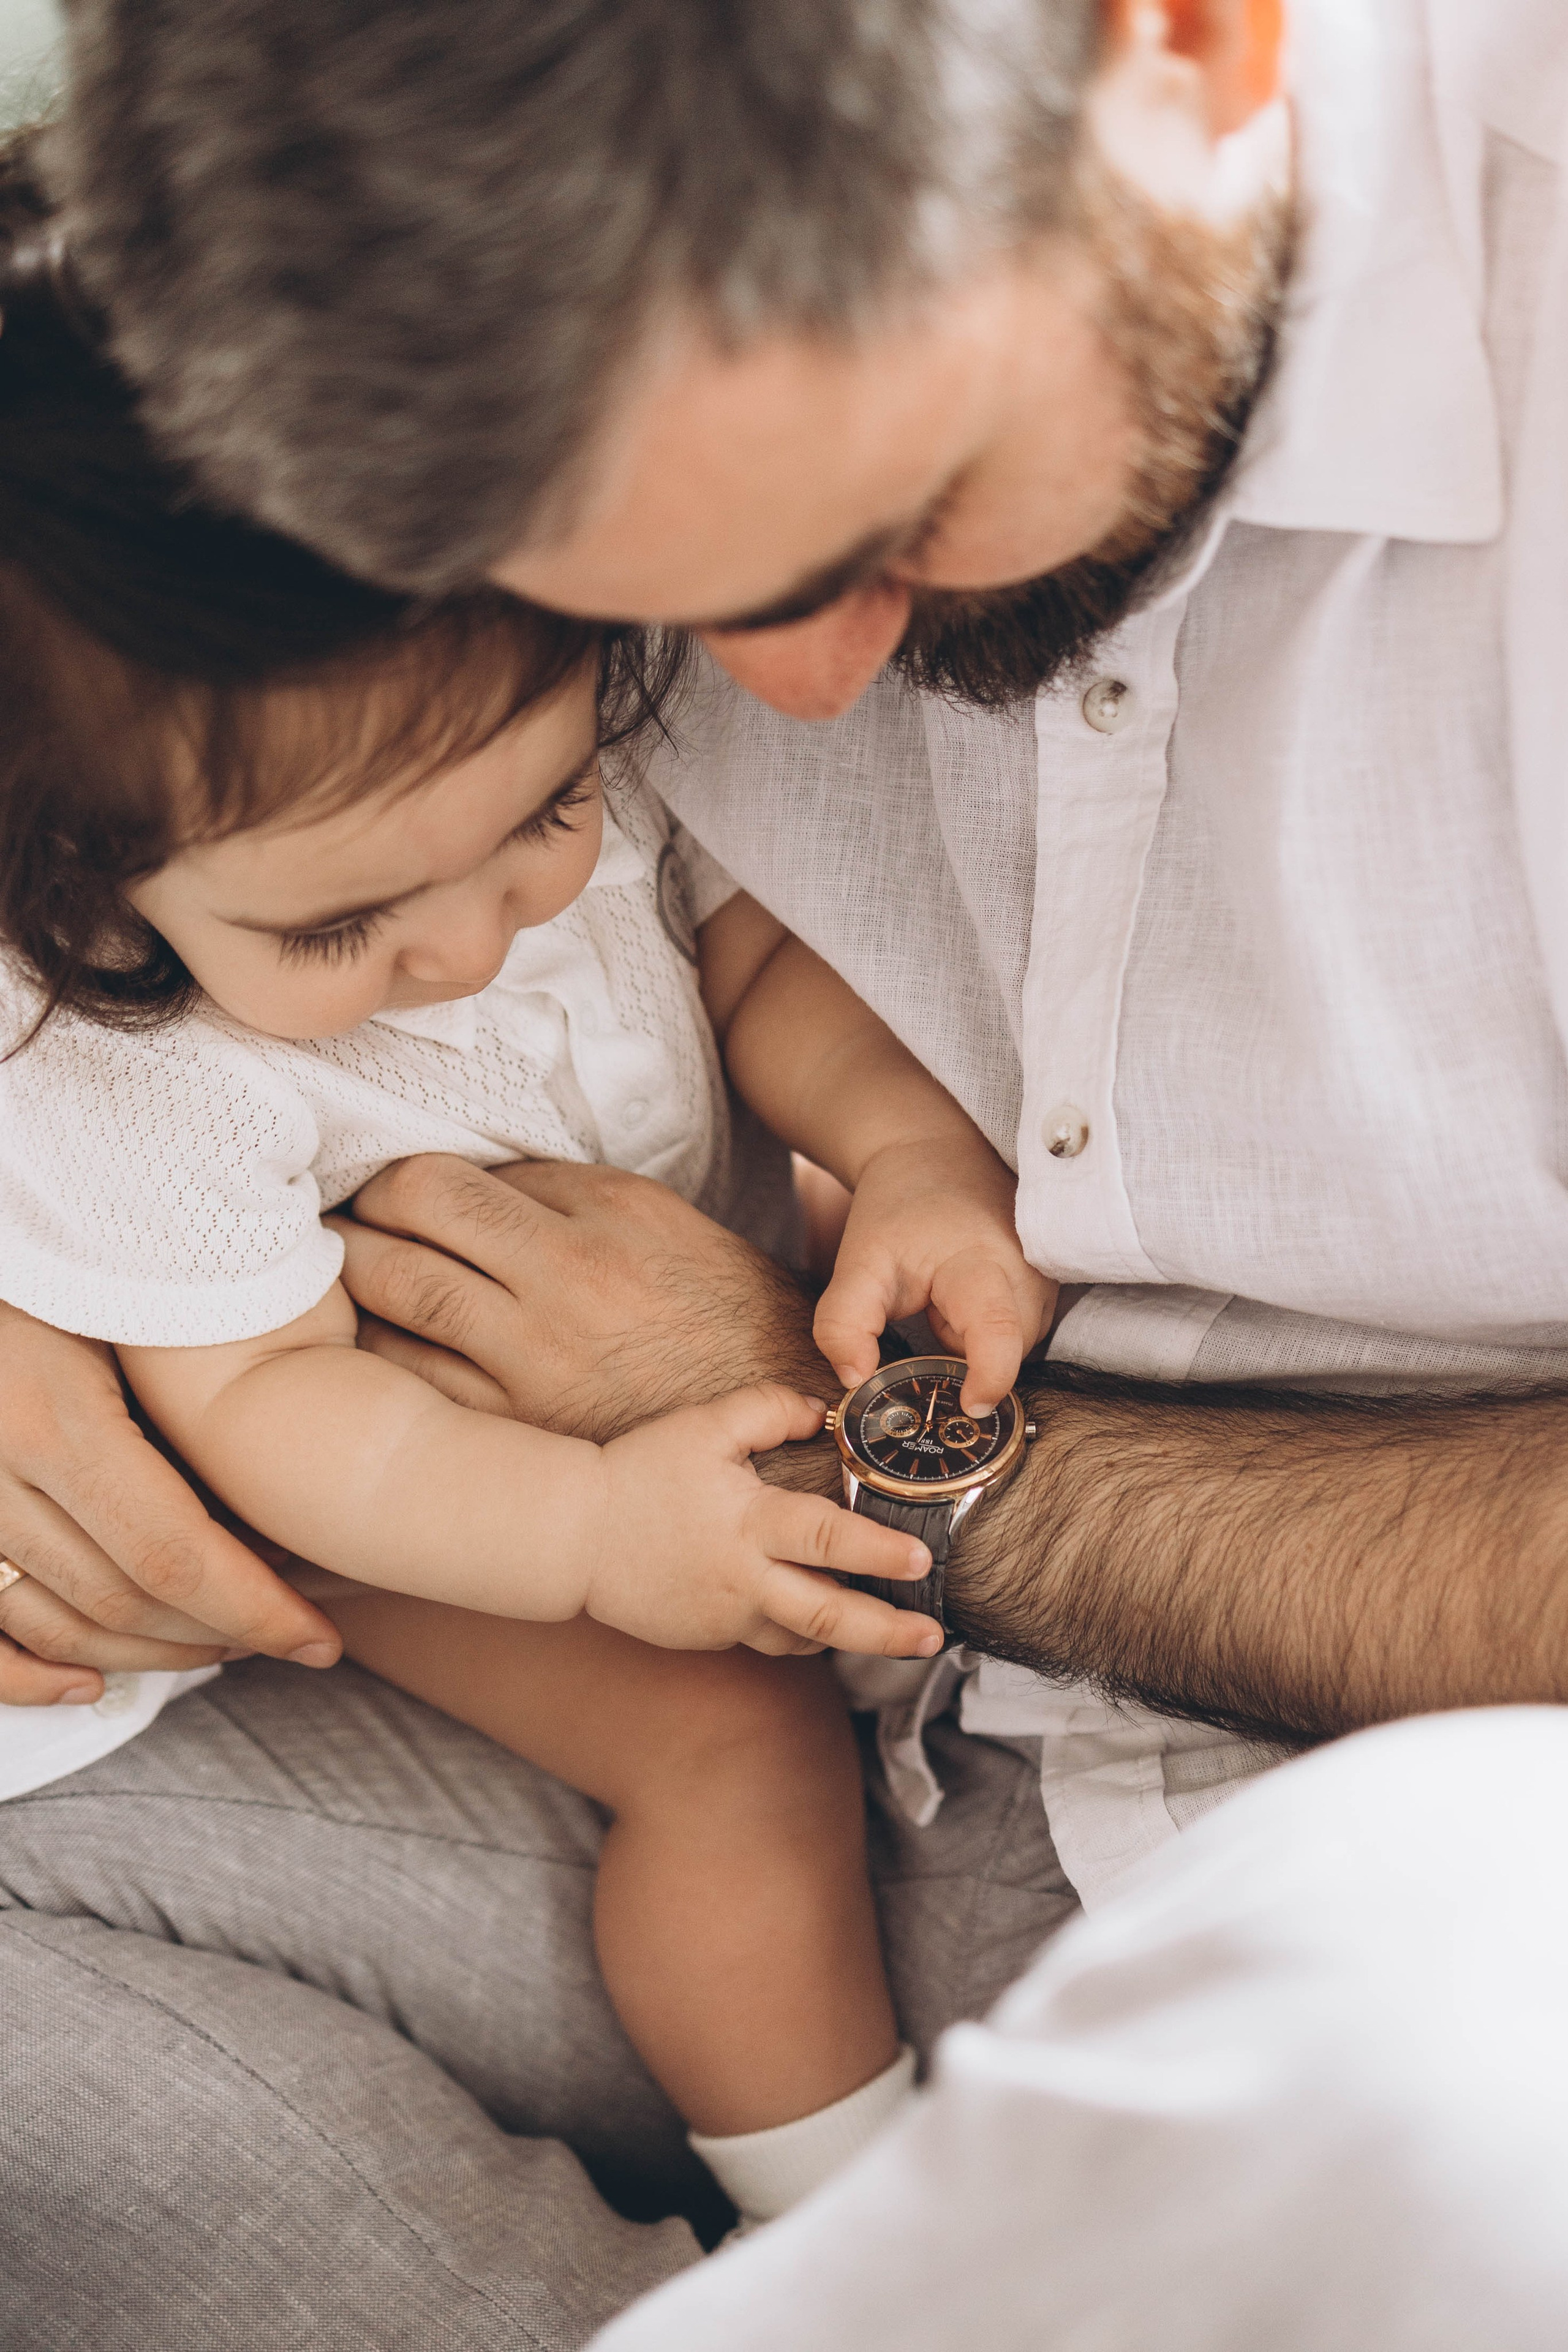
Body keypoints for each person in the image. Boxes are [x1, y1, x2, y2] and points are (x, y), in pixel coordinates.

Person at [4, 0, 1568, 2341]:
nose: (787, 699)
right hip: (828, 1739)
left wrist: (918, 1475)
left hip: (1415, 1851)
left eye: (888, 518)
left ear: (1195, 50)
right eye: (626, 609)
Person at [0, 144, 1072, 2235]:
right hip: (376, 1480)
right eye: (347, 934)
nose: (482, 935)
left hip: (623, 1352)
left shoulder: (491, 757)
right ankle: (856, 2234)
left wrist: (915, 1156)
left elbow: (752, 956)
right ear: (75, 893)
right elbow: (277, 1411)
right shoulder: (124, 1065)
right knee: (734, 1752)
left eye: (549, 811)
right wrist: (589, 1532)